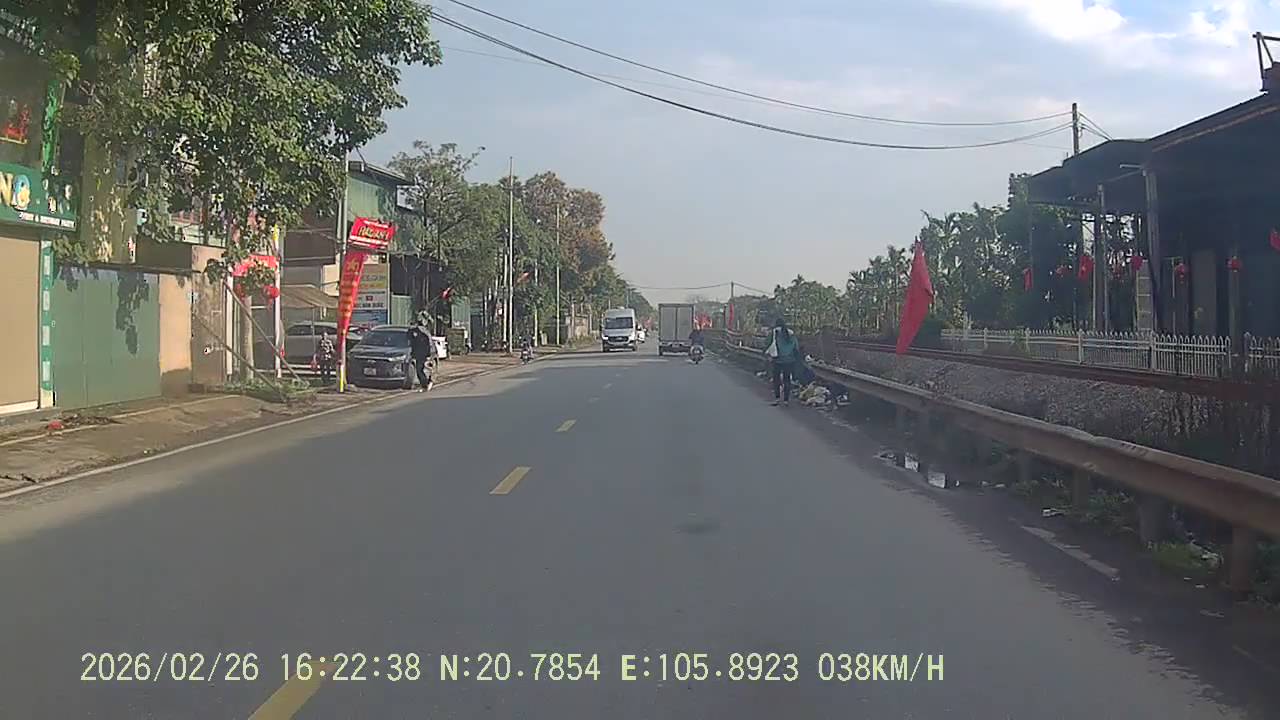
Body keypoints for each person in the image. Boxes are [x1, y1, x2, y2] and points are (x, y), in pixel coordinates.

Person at [766, 318, 800, 406]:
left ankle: (777, 399)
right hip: (789, 360)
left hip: (777, 360)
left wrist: (768, 355)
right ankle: (786, 400)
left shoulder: (774, 332)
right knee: (787, 380)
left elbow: (768, 344)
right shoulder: (791, 333)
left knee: (776, 380)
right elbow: (796, 347)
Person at [406, 319, 435, 392]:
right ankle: (426, 382)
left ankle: (426, 383)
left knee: (419, 369)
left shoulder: (418, 332)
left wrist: (428, 354)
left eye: (411, 324)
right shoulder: (420, 332)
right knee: (421, 369)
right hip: (421, 354)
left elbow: (419, 343)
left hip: (422, 354)